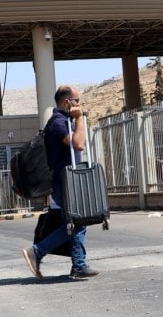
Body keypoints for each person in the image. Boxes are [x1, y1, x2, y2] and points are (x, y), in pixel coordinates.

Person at [22, 85, 100, 279]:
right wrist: (80, 118)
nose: (79, 104)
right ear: (68, 102)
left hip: (67, 180)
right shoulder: (58, 122)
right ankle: (37, 252)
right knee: (76, 221)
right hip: (63, 181)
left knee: (75, 221)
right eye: (77, 101)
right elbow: (79, 144)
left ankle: (78, 266)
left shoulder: (62, 120)